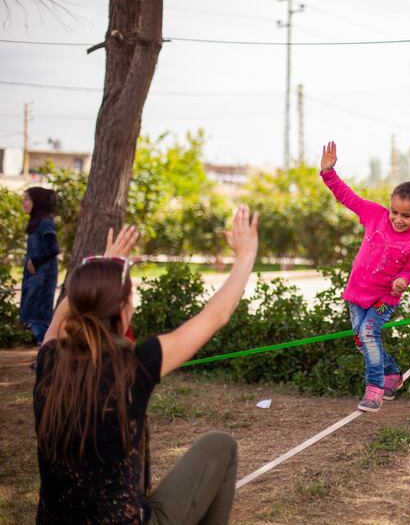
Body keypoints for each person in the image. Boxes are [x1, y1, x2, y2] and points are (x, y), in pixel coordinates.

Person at [34, 206, 259, 524]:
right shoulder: (133, 366)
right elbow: (216, 316)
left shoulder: (49, 360)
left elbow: (61, 318)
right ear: (123, 309)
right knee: (220, 446)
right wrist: (246, 254)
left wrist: (102, 269)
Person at [319, 140, 410, 412]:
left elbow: (409, 270)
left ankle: (375, 388)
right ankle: (393, 373)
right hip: (357, 293)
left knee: (369, 334)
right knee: (361, 341)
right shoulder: (374, 215)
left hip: (384, 298)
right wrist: (328, 173)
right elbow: (348, 197)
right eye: (395, 212)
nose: (397, 219)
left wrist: (402, 281)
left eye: (406, 216)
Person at [20, 187, 60, 344]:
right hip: (35, 276)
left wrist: (34, 261)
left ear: (37, 202)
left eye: (27, 199)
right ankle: (46, 354)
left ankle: (50, 353)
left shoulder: (45, 223)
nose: (23, 202)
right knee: (34, 318)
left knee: (37, 319)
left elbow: (54, 248)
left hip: (43, 278)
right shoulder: (37, 222)